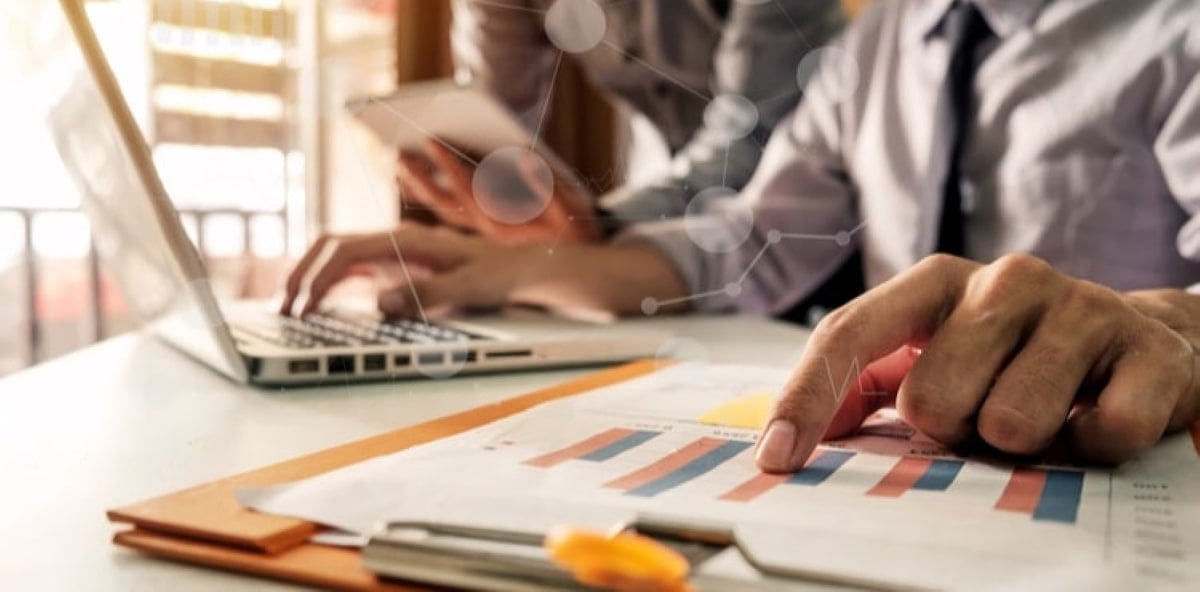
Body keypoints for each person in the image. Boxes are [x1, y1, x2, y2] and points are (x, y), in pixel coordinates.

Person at [282, 0, 1200, 471]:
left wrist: (1150, 328)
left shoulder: (1173, 29)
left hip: (1106, 471)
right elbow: (744, 242)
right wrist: (517, 269)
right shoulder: (872, 46)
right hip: (902, 467)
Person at [397, 0, 844, 243]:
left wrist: (601, 222)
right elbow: (494, 121)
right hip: (658, 217)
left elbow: (751, 137)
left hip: (811, 230)